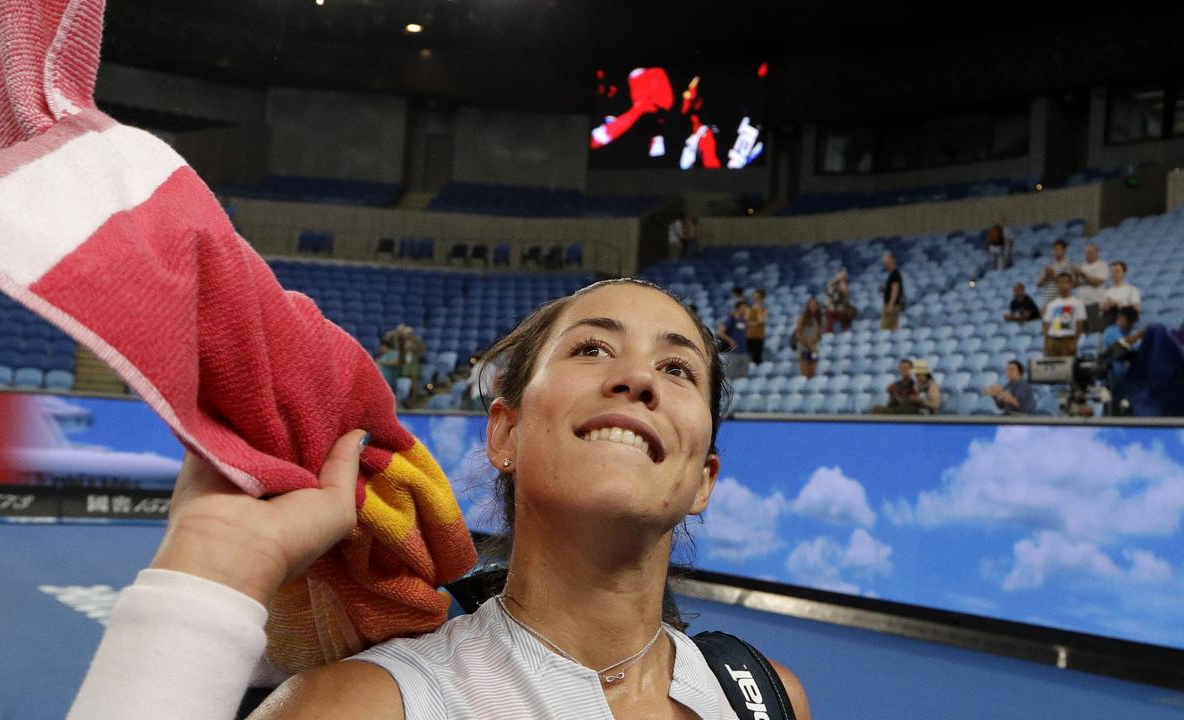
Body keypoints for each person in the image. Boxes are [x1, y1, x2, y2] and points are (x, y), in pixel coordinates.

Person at [69, 279, 813, 719]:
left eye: (678, 369)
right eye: (591, 349)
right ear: (505, 433)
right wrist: (207, 573)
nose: (638, 379)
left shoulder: (764, 698)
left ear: (703, 480)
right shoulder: (363, 707)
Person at [1042, 271, 1086, 357]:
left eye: (1066, 282)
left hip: (1068, 339)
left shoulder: (1077, 302)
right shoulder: (1052, 304)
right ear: (1057, 284)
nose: (1063, 285)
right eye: (1060, 282)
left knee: (1067, 368)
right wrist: (1046, 342)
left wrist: (1075, 341)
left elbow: (1080, 323)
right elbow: (1046, 323)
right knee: (1053, 367)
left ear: (1071, 284)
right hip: (1053, 339)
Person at [1074, 243, 1109, 334]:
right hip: (1081, 304)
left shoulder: (1101, 265)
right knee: (1082, 332)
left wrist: (1083, 274)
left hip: (1095, 304)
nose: (1088, 254)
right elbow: (1076, 285)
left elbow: (1098, 282)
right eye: (1087, 252)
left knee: (1096, 331)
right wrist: (1076, 276)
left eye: (1091, 252)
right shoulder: (1083, 266)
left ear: (1097, 252)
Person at [1100, 261, 1142, 329]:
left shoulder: (1132, 289)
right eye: (1112, 272)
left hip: (1126, 323)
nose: (1115, 274)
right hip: (1109, 321)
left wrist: (1117, 303)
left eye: (1117, 271)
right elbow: (1101, 311)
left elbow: (1137, 310)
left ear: (1124, 273)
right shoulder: (1107, 292)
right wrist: (1106, 306)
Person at [716, 300, 751, 379]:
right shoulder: (731, 319)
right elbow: (720, 332)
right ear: (738, 309)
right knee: (730, 377)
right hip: (733, 353)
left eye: (746, 308)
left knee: (743, 378)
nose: (745, 310)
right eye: (743, 308)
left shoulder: (744, 320)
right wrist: (730, 340)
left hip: (744, 353)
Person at [1036, 239, 1075, 307]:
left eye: (1058, 249)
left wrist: (1053, 275)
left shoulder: (1068, 265)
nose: (1056, 251)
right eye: (1055, 249)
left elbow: (1068, 284)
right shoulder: (1050, 264)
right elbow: (1038, 284)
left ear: (1064, 250)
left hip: (1061, 301)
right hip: (1048, 301)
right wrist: (1045, 275)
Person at [794, 296, 824, 378]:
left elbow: (819, 335)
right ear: (808, 305)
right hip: (804, 348)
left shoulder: (819, 319)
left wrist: (814, 341)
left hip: (814, 349)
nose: (813, 306)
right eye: (811, 304)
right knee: (805, 371)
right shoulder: (803, 318)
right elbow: (798, 334)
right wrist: (808, 343)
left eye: (815, 304)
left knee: (812, 370)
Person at [880, 252, 904, 332]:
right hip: (892, 304)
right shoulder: (892, 274)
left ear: (892, 260)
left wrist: (891, 304)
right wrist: (885, 290)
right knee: (892, 327)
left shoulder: (895, 273)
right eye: (884, 261)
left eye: (887, 260)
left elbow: (895, 289)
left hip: (891, 305)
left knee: (885, 327)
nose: (885, 263)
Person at [824, 269, 853, 333]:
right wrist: (841, 290)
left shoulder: (846, 284)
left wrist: (845, 293)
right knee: (829, 322)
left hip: (842, 309)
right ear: (838, 275)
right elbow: (831, 299)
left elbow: (846, 300)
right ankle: (827, 334)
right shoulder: (832, 284)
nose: (843, 276)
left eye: (844, 275)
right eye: (842, 275)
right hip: (831, 308)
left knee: (849, 315)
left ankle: (846, 333)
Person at [746, 288, 769, 365]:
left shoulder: (764, 309)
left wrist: (758, 308)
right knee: (748, 357)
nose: (755, 298)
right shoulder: (749, 309)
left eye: (757, 297)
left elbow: (761, 321)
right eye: (754, 296)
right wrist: (754, 323)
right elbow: (746, 321)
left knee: (757, 358)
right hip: (749, 336)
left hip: (759, 336)